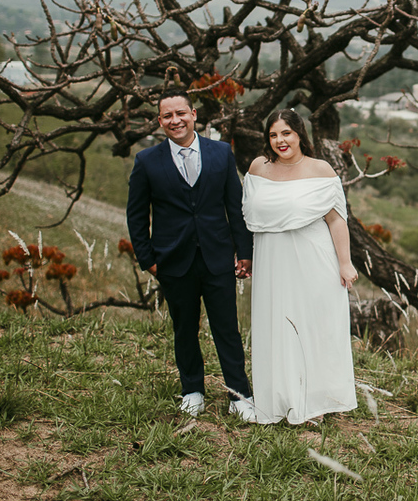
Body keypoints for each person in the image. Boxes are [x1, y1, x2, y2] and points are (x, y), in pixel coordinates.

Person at [126, 90, 255, 421]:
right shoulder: (146, 161)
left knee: (226, 327)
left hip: (217, 256)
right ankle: (192, 391)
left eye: (180, 113)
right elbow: (137, 216)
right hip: (173, 260)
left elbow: (234, 206)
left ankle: (239, 395)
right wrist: (148, 259)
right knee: (184, 328)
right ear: (160, 122)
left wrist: (244, 251)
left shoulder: (221, 153)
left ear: (194, 114)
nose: (175, 120)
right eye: (167, 116)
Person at [242, 109, 359, 424]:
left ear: (299, 135)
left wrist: (345, 264)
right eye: (273, 135)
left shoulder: (321, 170)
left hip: (313, 258)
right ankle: (280, 397)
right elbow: (249, 217)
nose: (280, 141)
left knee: (313, 325)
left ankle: (315, 402)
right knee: (278, 326)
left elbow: (337, 221)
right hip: (271, 260)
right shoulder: (257, 168)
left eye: (286, 133)